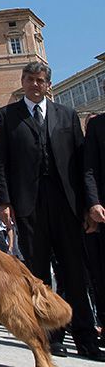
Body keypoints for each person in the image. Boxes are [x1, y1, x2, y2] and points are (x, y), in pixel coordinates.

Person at [0, 62, 103, 361]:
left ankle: (85, 338)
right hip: (29, 204)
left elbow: (82, 164)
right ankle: (50, 336)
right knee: (38, 274)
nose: (34, 85)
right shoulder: (7, 116)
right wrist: (5, 202)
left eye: (40, 80)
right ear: (22, 82)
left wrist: (86, 206)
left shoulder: (65, 115)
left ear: (48, 84)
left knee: (74, 273)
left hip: (65, 202)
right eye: (29, 80)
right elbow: (1, 162)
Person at [83, 111, 105, 347]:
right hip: (102, 211)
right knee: (100, 274)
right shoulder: (98, 125)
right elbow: (89, 169)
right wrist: (92, 203)